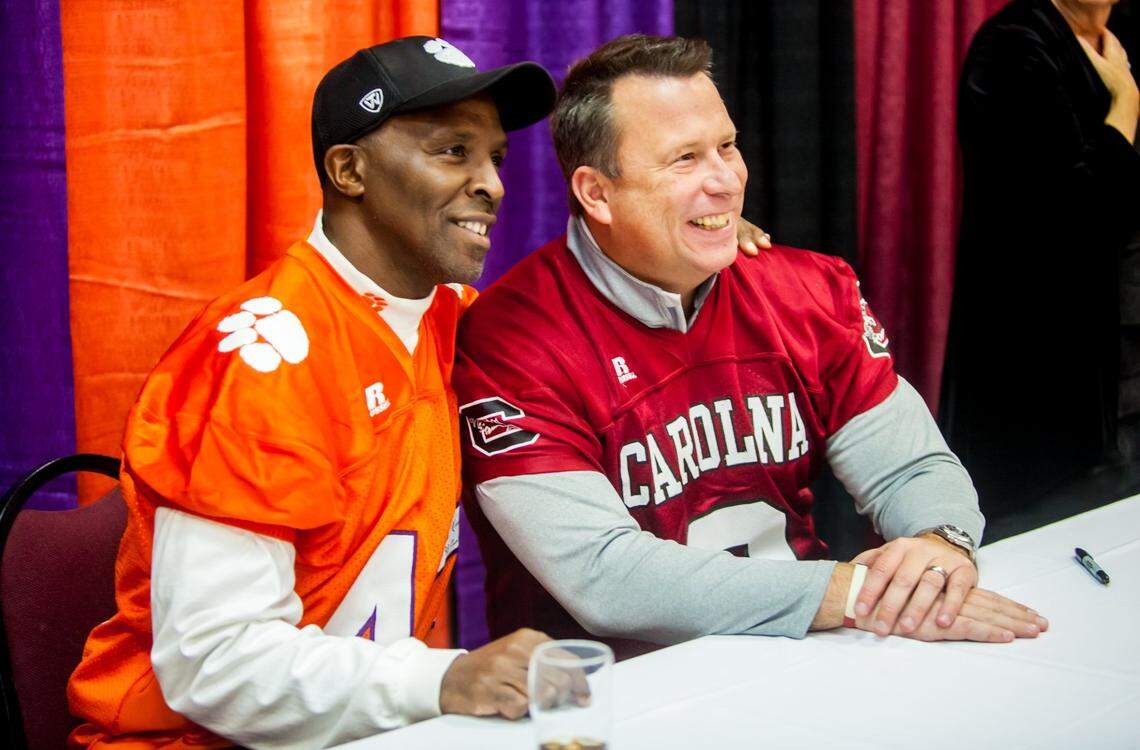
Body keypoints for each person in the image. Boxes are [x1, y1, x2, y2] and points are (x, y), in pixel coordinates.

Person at [454, 34, 1048, 659]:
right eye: (684, 159)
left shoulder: (806, 288)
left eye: (727, 146)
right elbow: (605, 575)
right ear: (597, 193)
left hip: (803, 662)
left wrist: (940, 543)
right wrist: (861, 593)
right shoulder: (512, 339)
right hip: (614, 698)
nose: (726, 181)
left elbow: (908, 466)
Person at [65, 37, 565, 749]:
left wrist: (694, 250)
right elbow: (215, 662)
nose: (493, 183)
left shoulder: (446, 321)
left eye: (496, 158)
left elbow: (591, 323)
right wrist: (442, 682)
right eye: (453, 151)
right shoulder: (266, 356)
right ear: (349, 170)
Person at [941, 0, 1140, 518]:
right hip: (1042, 354)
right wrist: (1126, 102)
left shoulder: (1126, 29)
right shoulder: (1012, 46)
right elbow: (1077, 211)